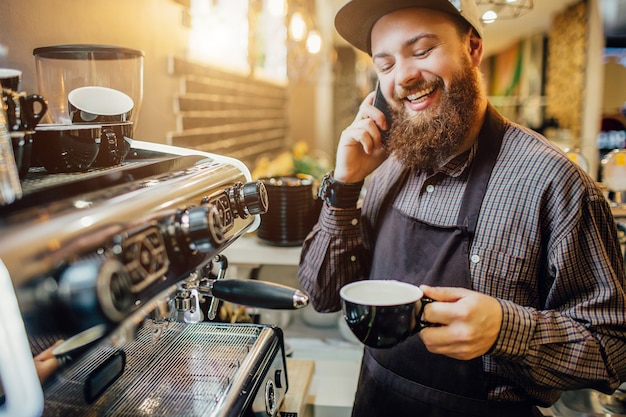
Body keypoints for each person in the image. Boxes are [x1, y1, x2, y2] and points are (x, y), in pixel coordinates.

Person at [297, 0, 626, 416]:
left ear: (472, 48)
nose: (404, 77)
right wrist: (345, 185)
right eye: (385, 65)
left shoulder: (552, 181)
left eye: (422, 51)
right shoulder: (383, 169)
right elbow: (324, 296)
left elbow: (613, 349)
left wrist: (509, 331)